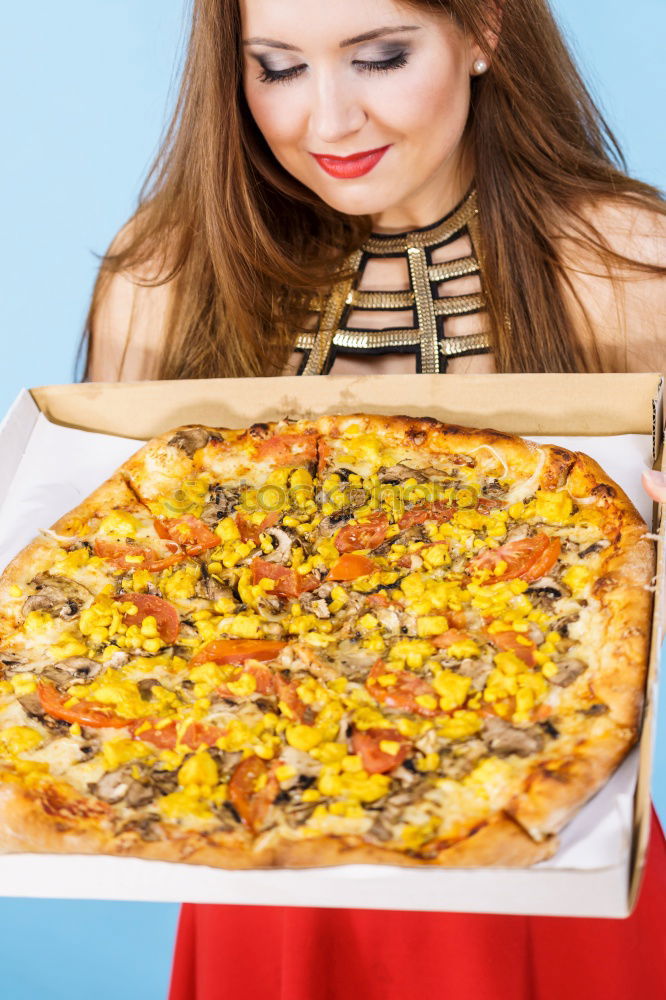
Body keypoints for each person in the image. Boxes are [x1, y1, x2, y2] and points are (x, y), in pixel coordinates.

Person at [79, 0, 666, 997]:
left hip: (552, 867)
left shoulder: (627, 263)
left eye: (380, 58)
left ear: (483, 31)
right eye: (278, 68)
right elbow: (103, 604)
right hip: (259, 884)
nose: (330, 121)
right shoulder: (166, 268)